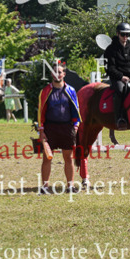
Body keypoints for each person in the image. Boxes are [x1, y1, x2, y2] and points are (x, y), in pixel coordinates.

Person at [37, 60, 82, 194]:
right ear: (51, 74)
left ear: (64, 74)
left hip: (66, 128)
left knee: (68, 158)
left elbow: (76, 108)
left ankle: (70, 186)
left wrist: (76, 125)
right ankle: (45, 187)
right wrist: (41, 130)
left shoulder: (71, 90)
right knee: (47, 158)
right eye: (55, 72)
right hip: (50, 128)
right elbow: (40, 111)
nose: (57, 74)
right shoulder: (45, 91)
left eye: (60, 72)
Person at [102, 22, 130, 128]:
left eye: (127, 35)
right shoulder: (110, 50)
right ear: (118, 34)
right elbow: (110, 68)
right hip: (118, 78)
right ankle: (120, 117)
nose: (125, 37)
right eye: (123, 34)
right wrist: (121, 77)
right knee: (121, 90)